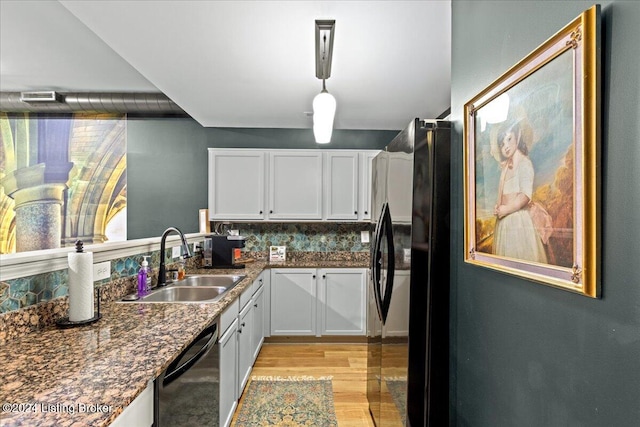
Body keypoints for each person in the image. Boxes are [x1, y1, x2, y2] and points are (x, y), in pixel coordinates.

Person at [492, 121, 547, 263]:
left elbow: (525, 195)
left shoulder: (524, 163)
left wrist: (507, 209)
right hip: (505, 223)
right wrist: (499, 207)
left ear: (518, 136)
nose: (506, 146)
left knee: (522, 257)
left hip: (519, 222)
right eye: (502, 144)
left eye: (509, 139)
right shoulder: (505, 169)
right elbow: (503, 194)